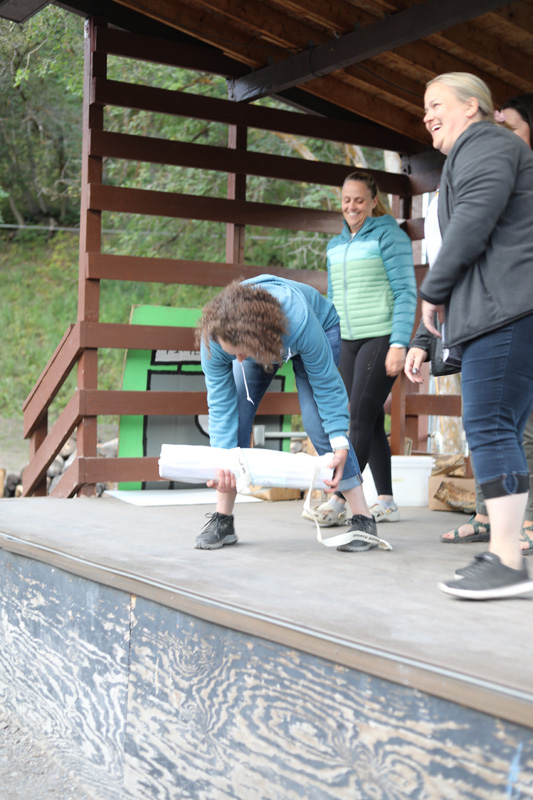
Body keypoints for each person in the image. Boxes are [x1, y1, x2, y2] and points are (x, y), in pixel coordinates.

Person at [407, 72, 533, 599]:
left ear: (472, 107)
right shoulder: (484, 148)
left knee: (490, 427)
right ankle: (505, 553)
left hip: (506, 310)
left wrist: (432, 291)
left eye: (436, 103)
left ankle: (507, 560)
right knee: (500, 429)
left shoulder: (484, 142)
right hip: (504, 307)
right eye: (425, 108)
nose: (427, 115)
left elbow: (474, 219)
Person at [196, 274, 382, 553]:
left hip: (317, 325)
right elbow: (222, 406)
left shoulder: (299, 321)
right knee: (237, 420)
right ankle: (223, 520)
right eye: (232, 354)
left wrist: (339, 441)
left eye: (241, 353)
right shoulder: (216, 339)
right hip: (260, 342)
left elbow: (326, 384)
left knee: (319, 424)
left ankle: (364, 519)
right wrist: (221, 461)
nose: (239, 360)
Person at [303, 171, 417, 529]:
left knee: (356, 418)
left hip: (380, 337)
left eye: (359, 200)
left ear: (373, 201)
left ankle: (340, 498)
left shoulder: (389, 236)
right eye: (346, 200)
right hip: (347, 341)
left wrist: (399, 343)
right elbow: (332, 299)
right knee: (370, 420)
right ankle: (386, 500)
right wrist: (327, 341)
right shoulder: (335, 245)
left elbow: (405, 291)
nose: (352, 206)